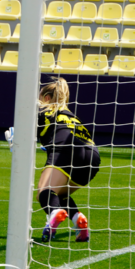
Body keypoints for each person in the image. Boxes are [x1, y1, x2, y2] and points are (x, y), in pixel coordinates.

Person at [36, 78, 99, 243]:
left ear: (47, 98)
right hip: (92, 156)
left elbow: (24, 138)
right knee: (59, 193)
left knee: (44, 192)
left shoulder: (43, 111)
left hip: (66, 148)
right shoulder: (69, 114)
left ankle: (54, 213)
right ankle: (78, 220)